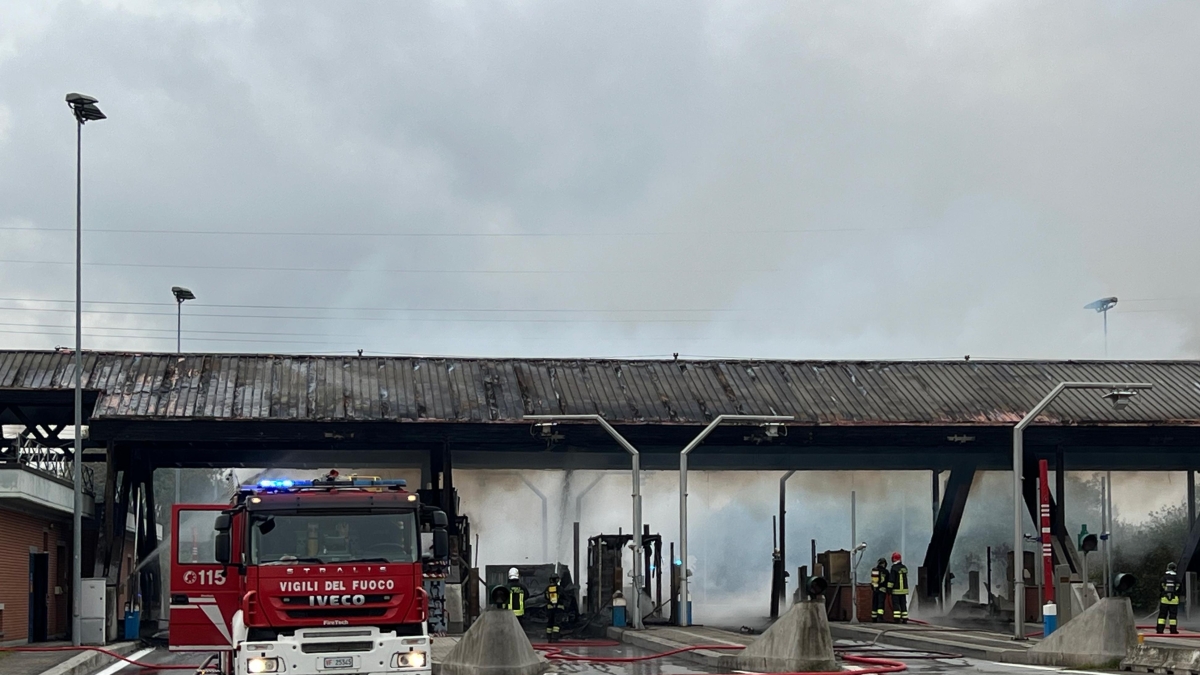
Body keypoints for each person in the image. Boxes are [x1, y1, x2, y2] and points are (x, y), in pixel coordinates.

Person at [1158, 562, 1181, 634]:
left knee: (1162, 616)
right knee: (1173, 616)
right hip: (1174, 601)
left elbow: (1160, 588)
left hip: (1164, 600)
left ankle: (1160, 630)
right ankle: (1173, 630)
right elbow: (1180, 589)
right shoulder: (1177, 579)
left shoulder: (1163, 578)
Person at [888, 552, 909, 624]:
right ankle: (905, 618)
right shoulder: (904, 568)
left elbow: (891, 580)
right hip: (903, 591)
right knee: (903, 604)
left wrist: (889, 589)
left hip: (896, 590)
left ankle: (897, 619)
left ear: (893, 559)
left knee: (896, 604)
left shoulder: (894, 568)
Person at [545, 573, 565, 642]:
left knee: (550, 623)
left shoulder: (547, 588)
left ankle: (549, 638)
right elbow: (564, 596)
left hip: (550, 608)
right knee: (556, 624)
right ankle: (555, 638)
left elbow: (546, 597)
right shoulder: (559, 588)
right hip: (558, 608)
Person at [870, 558, 890, 623]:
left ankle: (874, 618)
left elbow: (873, 580)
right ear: (884, 564)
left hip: (875, 590)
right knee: (880, 604)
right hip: (882, 589)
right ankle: (880, 617)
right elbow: (888, 581)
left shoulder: (874, 570)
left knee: (875, 603)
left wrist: (874, 588)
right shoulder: (886, 572)